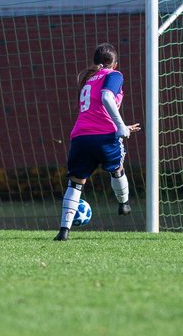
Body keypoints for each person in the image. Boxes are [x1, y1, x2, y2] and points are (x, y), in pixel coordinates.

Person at [54, 43, 138, 241]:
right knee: (117, 168)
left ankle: (63, 232)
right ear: (114, 64)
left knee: (75, 184)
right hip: (105, 135)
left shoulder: (88, 79)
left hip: (80, 137)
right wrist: (121, 126)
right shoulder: (114, 75)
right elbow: (107, 97)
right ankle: (123, 203)